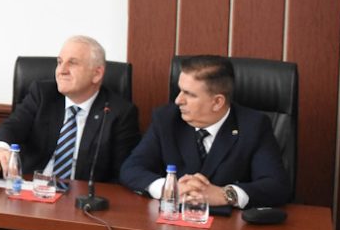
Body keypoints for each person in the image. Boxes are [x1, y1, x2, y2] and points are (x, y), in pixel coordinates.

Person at [119, 54, 290, 209]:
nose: (178, 100)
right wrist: (170, 188)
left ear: (217, 102)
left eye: (189, 94)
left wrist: (225, 194)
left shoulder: (253, 126)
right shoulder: (167, 119)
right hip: (174, 219)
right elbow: (131, 168)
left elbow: (276, 186)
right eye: (180, 90)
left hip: (229, 226)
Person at [0, 35, 139, 182]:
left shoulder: (119, 113)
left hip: (81, 194)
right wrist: (0, 148)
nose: (62, 70)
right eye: (60, 62)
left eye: (72, 63)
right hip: (31, 187)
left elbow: (122, 174)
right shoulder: (42, 94)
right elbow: (12, 127)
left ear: (97, 73)